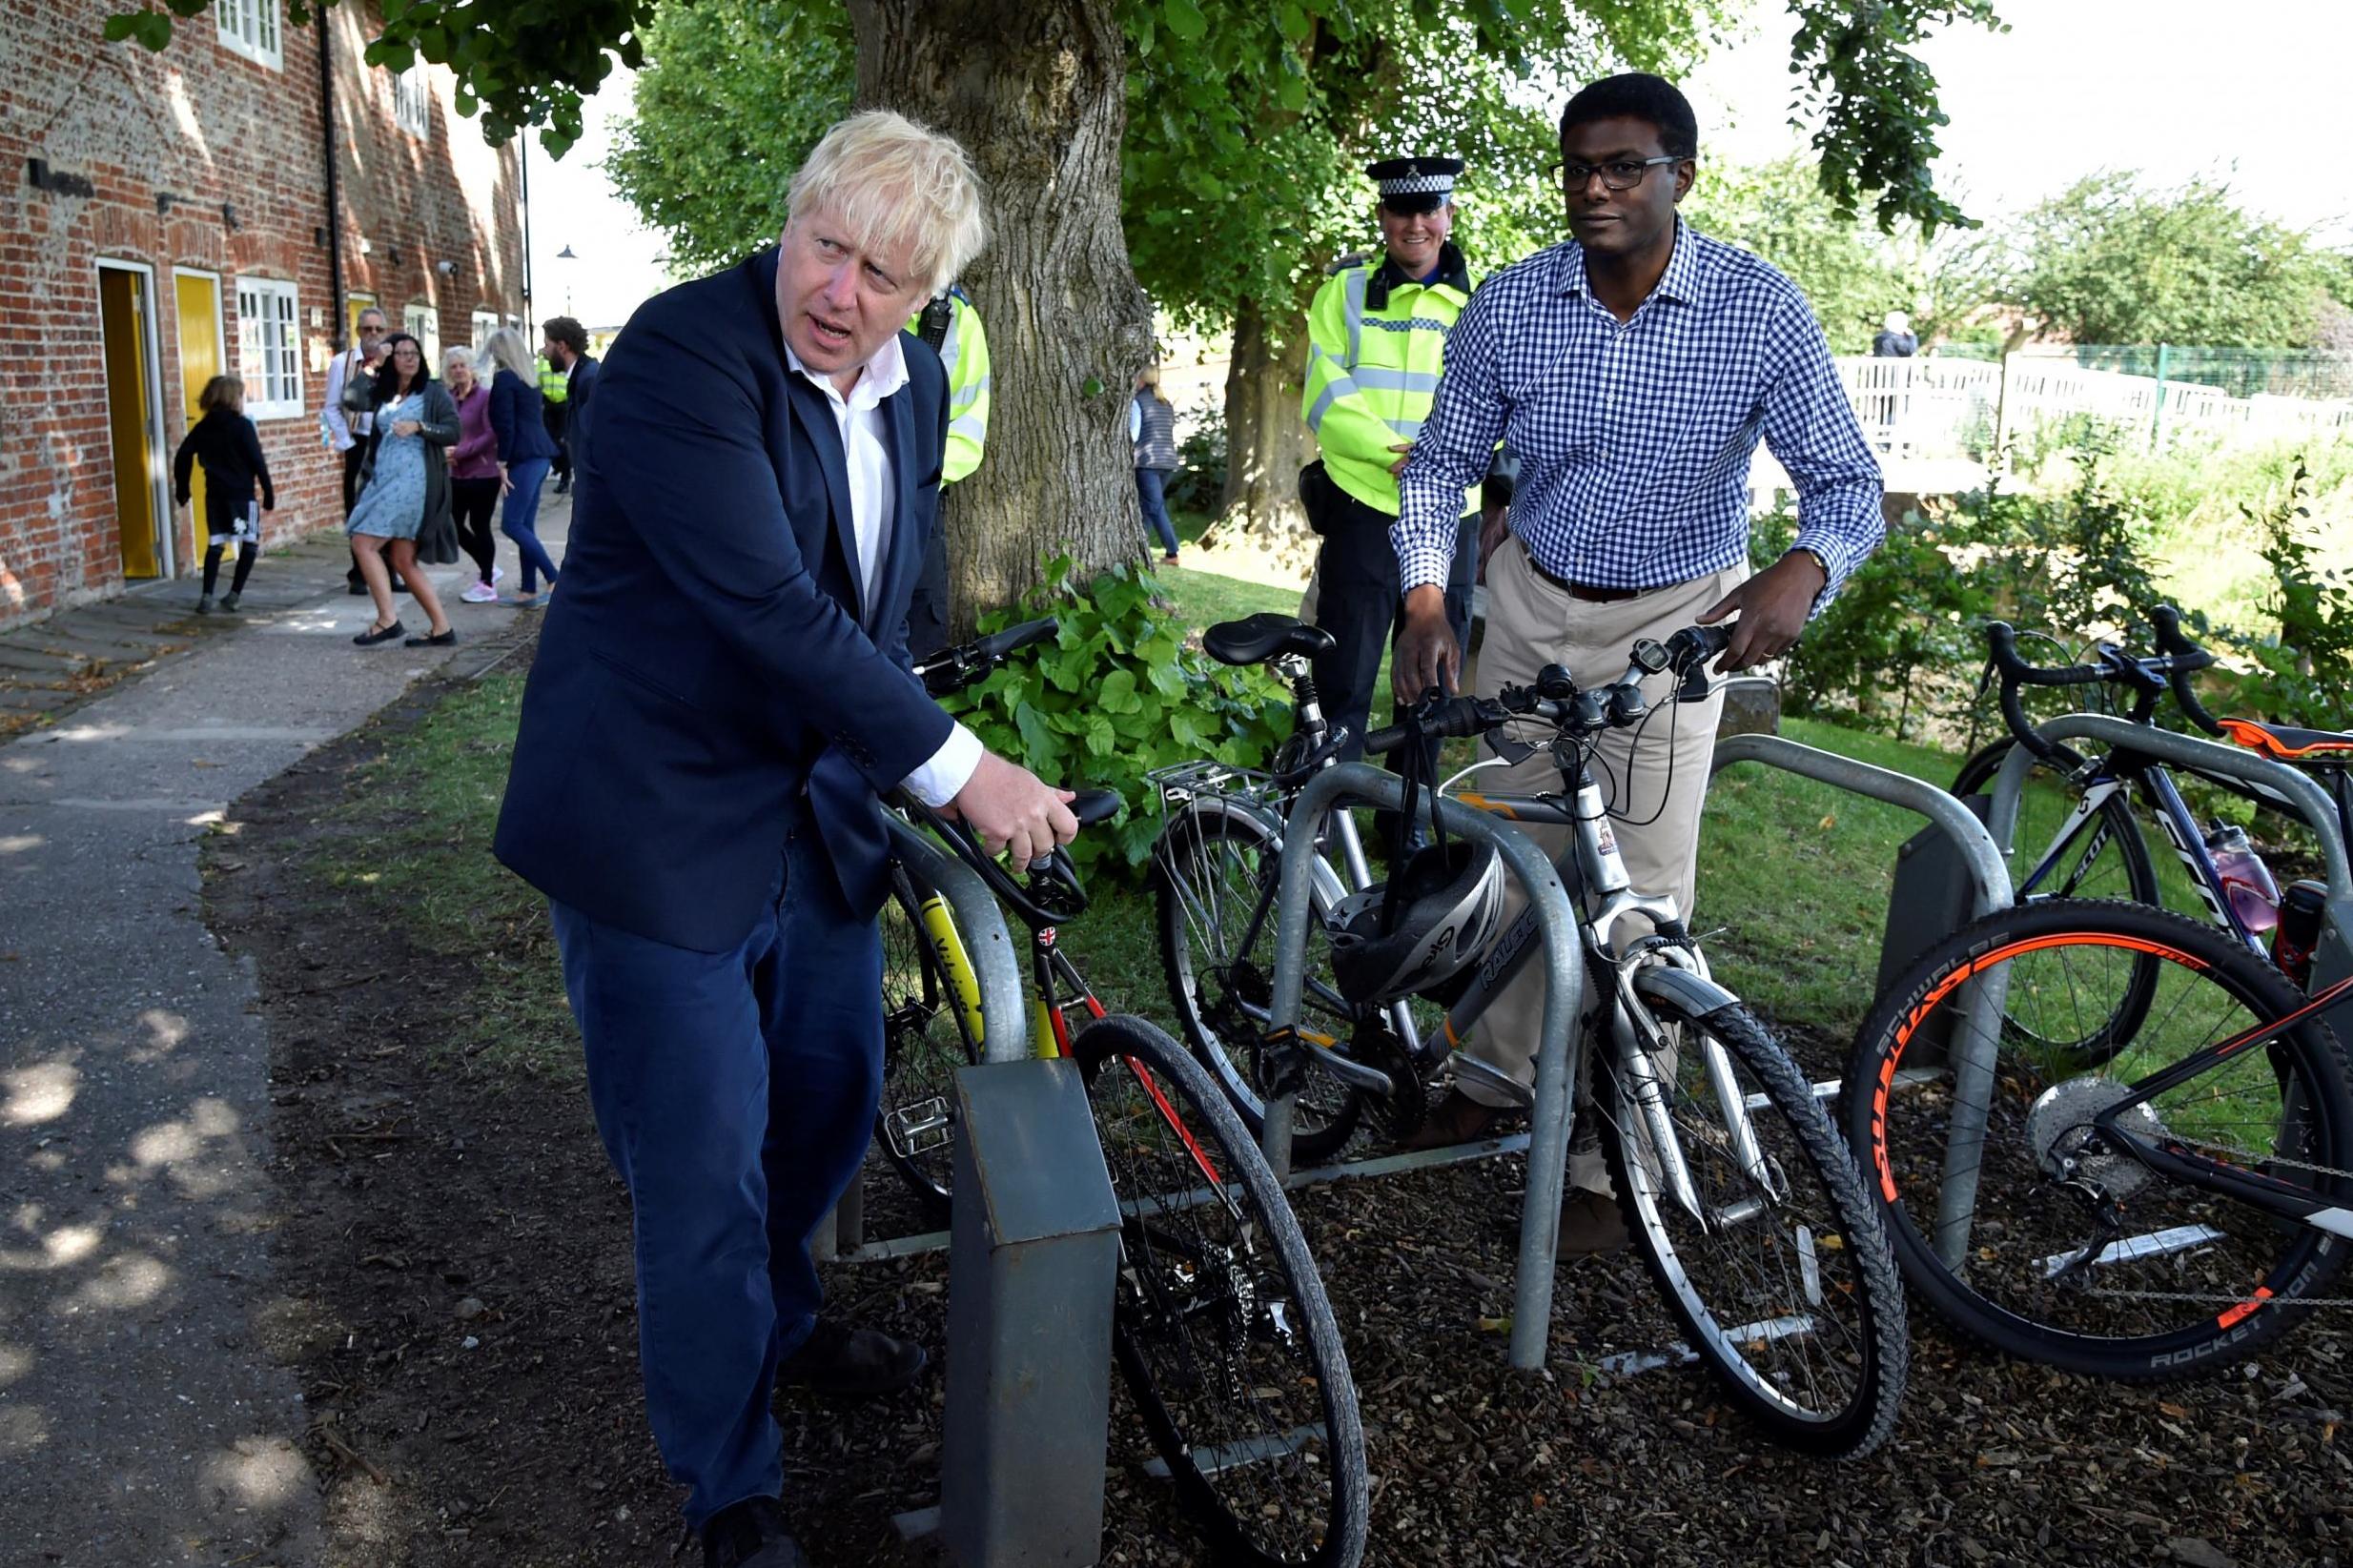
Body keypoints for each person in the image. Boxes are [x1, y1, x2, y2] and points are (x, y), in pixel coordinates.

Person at [492, 111, 1077, 1568]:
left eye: (884, 275)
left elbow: (885, 595)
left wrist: (921, 713)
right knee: (699, 1168)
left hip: (812, 824)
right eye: (827, 246)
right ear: (794, 215)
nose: (840, 292)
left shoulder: (923, 380)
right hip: (652, 819)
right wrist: (962, 772)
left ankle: (783, 1325)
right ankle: (729, 1484)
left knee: (825, 1105)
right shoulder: (685, 356)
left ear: (927, 295)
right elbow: (765, 605)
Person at [1386, 74, 1884, 1253]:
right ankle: (1497, 1078)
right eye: (1576, 169)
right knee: (1513, 863)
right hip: (1527, 604)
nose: (1593, 191)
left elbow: (1847, 483)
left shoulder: (1756, 310)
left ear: (1682, 178)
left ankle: (1613, 1157)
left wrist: (1802, 572)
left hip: (1673, 630)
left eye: (1622, 169)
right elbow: (1434, 466)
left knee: (1640, 901)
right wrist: (1420, 594)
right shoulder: (1511, 303)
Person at [1299, 154, 1483, 763]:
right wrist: (1394, 453)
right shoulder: (1343, 292)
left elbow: (1508, 401)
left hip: (1451, 512)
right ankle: (1327, 817)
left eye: (1429, 209)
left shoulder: (1485, 301)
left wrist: (1441, 459)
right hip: (1364, 502)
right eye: (1401, 210)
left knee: (1431, 686)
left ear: (1449, 215)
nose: (1415, 224)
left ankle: (1411, 833)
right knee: (1342, 677)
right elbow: (1326, 391)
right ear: (1382, 217)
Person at [345, 333, 460, 648]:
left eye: (414, 353)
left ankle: (387, 621)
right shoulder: (384, 393)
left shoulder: (432, 392)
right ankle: (441, 629)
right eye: (401, 353)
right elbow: (351, 400)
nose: (409, 358)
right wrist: (373, 366)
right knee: (402, 558)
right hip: (384, 479)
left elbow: (454, 431)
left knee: (363, 542)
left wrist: (420, 427)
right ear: (391, 360)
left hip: (414, 482)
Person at [897, 284, 989, 660]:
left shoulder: (954, 317)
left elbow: (968, 431)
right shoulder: (839, 295)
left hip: (918, 497)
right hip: (833, 492)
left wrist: (912, 480)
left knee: (920, 636)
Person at [174, 374, 273, 615]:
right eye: (241, 395)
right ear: (233, 398)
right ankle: (234, 594)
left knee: (216, 542)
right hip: (241, 494)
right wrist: (268, 490)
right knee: (249, 541)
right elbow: (257, 460)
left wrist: (183, 487)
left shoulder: (203, 427)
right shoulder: (243, 426)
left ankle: (206, 596)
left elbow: (182, 455)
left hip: (214, 494)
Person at [323, 307, 404, 596]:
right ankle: (358, 574)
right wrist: (346, 442)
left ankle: (391, 572)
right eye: (367, 329)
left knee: (391, 506)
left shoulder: (396, 363)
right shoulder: (342, 363)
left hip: (391, 442)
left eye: (378, 329)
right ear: (358, 332)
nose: (373, 335)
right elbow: (332, 407)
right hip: (358, 442)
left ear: (386, 331)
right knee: (358, 508)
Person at [481, 328, 563, 606]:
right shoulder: (527, 379)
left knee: (512, 524)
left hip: (524, 457)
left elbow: (506, 426)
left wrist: (502, 462)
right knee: (524, 524)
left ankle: (555, 578)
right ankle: (528, 590)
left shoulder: (504, 379)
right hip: (540, 456)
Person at [443, 345, 505, 603]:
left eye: (462, 365)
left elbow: (491, 434)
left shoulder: (486, 396)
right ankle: (488, 565)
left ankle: (487, 584)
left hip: (483, 472)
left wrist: (460, 451)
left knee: (480, 526)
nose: (458, 370)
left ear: (472, 368)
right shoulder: (448, 398)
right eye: (453, 366)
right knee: (453, 526)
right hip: (456, 474)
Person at [542, 316, 601, 495]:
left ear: (562, 346)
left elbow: (597, 437)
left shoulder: (587, 379)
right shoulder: (583, 375)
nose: (544, 352)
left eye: (547, 345)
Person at [1131, 367, 1180, 564]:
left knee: (1155, 507)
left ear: (1139, 381)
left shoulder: (1138, 402)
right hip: (1168, 462)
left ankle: (1172, 552)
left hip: (1147, 461)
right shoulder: (1165, 403)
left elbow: (1134, 433)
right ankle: (1136, 546)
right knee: (1150, 507)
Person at [537, 349, 572, 491]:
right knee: (549, 440)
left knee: (562, 441)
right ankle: (557, 466)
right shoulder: (542, 361)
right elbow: (538, 380)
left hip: (564, 404)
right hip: (548, 404)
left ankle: (565, 477)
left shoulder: (562, 360)